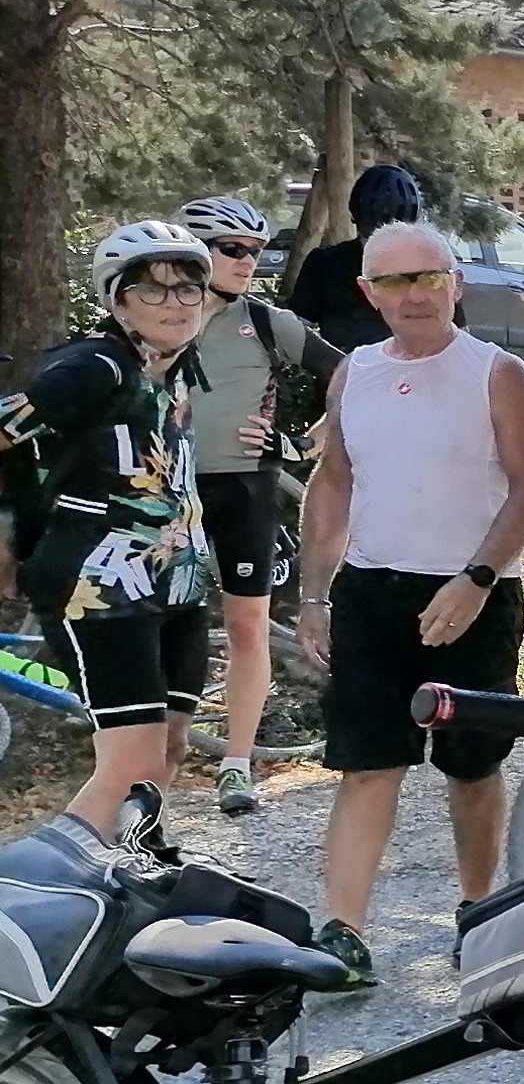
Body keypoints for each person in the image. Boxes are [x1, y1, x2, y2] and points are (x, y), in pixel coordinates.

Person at [297, 222, 524, 988]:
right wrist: (313, 594)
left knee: (472, 768)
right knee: (367, 764)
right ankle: (343, 933)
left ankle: (478, 911)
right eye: (396, 281)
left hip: (472, 597)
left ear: (455, 283)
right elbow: (334, 481)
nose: (415, 295)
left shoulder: (498, 372)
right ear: (368, 293)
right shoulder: (356, 373)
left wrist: (476, 579)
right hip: (371, 592)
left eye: (429, 277)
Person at [0, 224, 219, 839]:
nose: (175, 303)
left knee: (168, 747)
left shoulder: (178, 368)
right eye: (152, 289)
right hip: (98, 582)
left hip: (177, 581)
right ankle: (50, 878)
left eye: (188, 289)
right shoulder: (93, 366)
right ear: (117, 300)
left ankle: (135, 863)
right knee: (128, 762)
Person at [178, 193, 343, 815]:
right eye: (232, 249)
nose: (248, 261)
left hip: (244, 487)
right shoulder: (159, 317)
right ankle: (154, 757)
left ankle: (237, 764)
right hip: (164, 491)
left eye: (256, 250)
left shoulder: (267, 321)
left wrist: (305, 443)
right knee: (163, 625)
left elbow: (352, 373)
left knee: (247, 626)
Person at [282, 163, 429, 357]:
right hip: (346, 370)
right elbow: (298, 331)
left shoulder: (431, 266)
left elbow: (297, 332)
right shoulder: (324, 263)